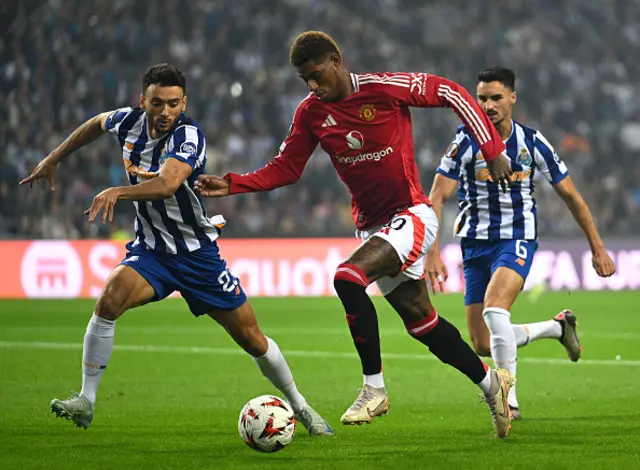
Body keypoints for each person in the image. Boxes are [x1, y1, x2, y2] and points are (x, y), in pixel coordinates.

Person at [194, 31, 517, 438]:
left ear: (335, 60)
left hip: (411, 214)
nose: (312, 86)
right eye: (303, 80)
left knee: (347, 277)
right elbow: (287, 167)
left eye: (316, 74)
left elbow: (452, 93)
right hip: (371, 227)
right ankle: (493, 384)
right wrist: (233, 184)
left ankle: (374, 389)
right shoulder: (311, 113)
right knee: (422, 322)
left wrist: (492, 150)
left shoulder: (384, 88)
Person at [19, 63, 333, 436]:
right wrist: (53, 158)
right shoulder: (127, 121)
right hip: (152, 252)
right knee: (109, 300)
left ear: (183, 103)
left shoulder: (189, 136)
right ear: (143, 101)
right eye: (157, 103)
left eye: (172, 103)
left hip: (196, 254)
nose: (165, 111)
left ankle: (301, 406)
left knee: (252, 339)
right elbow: (95, 123)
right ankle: (86, 401)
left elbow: (168, 185)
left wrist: (118, 191)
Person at [426, 66, 616, 419]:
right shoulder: (465, 141)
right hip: (474, 244)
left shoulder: (532, 142)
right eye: (481, 98)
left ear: (512, 97)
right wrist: (432, 251)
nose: (488, 105)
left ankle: (507, 401)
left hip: (516, 237)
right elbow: (437, 195)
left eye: (496, 98)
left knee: (496, 310)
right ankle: (557, 327)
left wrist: (597, 247)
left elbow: (571, 196)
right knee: (482, 342)